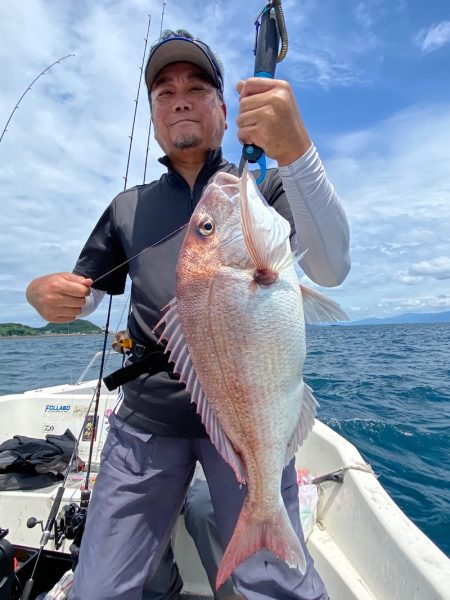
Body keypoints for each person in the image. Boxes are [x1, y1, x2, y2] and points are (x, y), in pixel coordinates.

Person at [26, 29, 350, 600]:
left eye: (197, 87)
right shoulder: (127, 208)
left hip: (242, 420)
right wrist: (43, 296)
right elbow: (88, 292)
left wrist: (297, 151)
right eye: (164, 92)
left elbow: (331, 267)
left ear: (224, 112)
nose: (179, 97)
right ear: (154, 116)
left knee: (276, 586)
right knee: (99, 590)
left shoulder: (261, 190)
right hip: (146, 423)